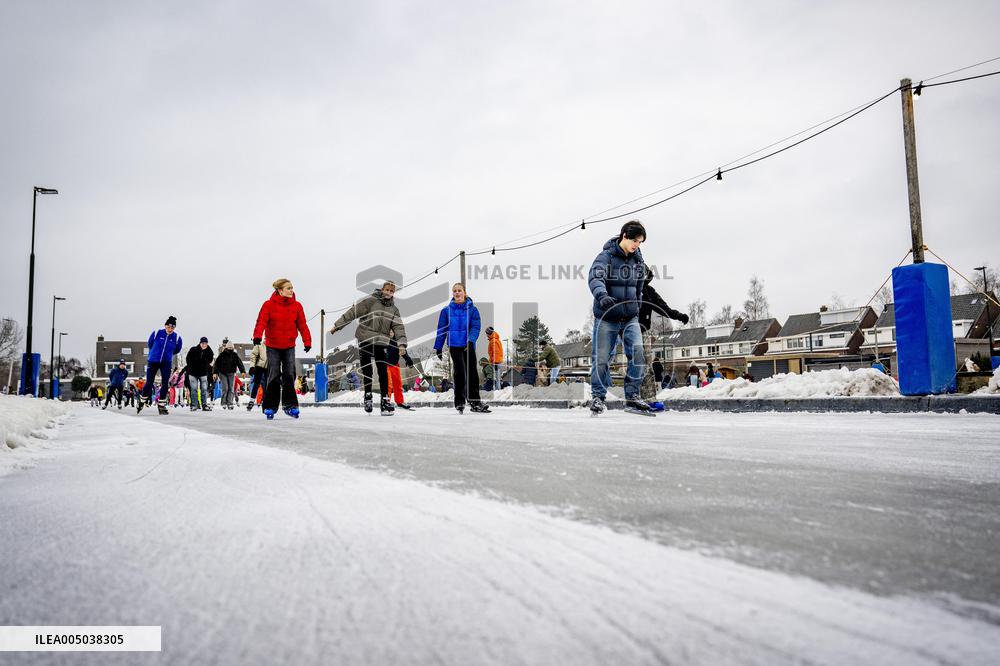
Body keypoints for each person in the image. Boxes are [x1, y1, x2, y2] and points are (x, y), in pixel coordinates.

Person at [588, 220, 649, 414]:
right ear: (625, 236)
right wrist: (602, 296)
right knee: (602, 358)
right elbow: (595, 277)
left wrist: (637, 305)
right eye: (635, 241)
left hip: (630, 316)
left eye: (640, 242)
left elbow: (639, 285)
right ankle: (598, 397)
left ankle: (632, 396)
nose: (637, 245)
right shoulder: (605, 257)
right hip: (607, 315)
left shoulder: (638, 260)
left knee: (638, 353)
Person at [330, 280, 407, 416]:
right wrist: (338, 325)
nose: (389, 292)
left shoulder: (394, 309)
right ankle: (368, 396)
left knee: (382, 369)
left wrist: (401, 344)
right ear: (382, 289)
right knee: (367, 369)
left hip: (382, 341)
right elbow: (353, 312)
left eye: (391, 291)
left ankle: (385, 401)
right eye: (387, 289)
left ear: (393, 293)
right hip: (365, 338)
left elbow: (398, 327)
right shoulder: (370, 301)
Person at [253, 278, 312, 419]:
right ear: (280, 290)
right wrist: (257, 336)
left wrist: (307, 341)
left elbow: (302, 325)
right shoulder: (268, 305)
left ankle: (290, 406)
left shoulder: (297, 306)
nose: (292, 290)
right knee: (273, 374)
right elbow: (261, 321)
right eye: (288, 288)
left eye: (292, 288)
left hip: (289, 346)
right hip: (273, 346)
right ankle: (270, 407)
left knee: (289, 374)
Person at [434, 282, 490, 414]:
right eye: (455, 291)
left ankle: (475, 402)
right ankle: (459, 402)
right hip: (454, 345)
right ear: (453, 294)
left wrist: (471, 340)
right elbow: (441, 330)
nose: (457, 293)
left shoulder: (472, 309)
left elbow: (475, 327)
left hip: (468, 345)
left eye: (459, 290)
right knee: (459, 373)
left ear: (464, 293)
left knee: (472, 374)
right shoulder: (446, 310)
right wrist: (438, 347)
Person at [638, 265, 688, 400]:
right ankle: (633, 395)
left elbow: (663, 307)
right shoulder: (627, 289)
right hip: (628, 329)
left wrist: (678, 315)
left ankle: (649, 398)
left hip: (644, 331)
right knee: (636, 362)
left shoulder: (648, 291)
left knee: (647, 364)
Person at [140, 316, 183, 415]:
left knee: (165, 383)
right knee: (149, 382)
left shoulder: (177, 338)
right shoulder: (156, 333)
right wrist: (155, 353)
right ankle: (142, 400)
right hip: (153, 360)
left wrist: (167, 354)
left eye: (172, 327)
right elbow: (150, 344)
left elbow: (177, 350)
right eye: (169, 327)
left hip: (166, 362)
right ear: (165, 326)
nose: (170, 329)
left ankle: (161, 405)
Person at [385, 328, 414, 410]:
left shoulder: (397, 342)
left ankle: (400, 401)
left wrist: (409, 361)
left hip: (395, 365)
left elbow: (404, 352)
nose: (390, 333)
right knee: (388, 384)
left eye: (392, 332)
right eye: (389, 332)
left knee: (398, 384)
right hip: (385, 365)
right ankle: (386, 402)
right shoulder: (384, 342)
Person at [186, 337, 215, 411]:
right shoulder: (193, 349)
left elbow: (210, 359)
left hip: (203, 373)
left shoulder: (209, 352)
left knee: (204, 389)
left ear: (207, 344)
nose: (204, 345)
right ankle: (194, 405)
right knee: (194, 389)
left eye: (205, 343)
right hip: (193, 372)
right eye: (202, 343)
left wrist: (204, 364)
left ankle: (204, 405)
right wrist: (191, 366)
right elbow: (188, 359)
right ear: (200, 343)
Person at [215, 342, 246, 409]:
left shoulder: (234, 355)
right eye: (229, 347)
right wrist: (215, 373)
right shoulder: (222, 355)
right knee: (225, 388)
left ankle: (230, 403)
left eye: (231, 348)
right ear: (226, 348)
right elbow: (216, 364)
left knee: (231, 388)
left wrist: (243, 371)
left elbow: (239, 363)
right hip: (222, 373)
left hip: (231, 373)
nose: (230, 349)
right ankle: (223, 403)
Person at [246, 339, 268, 411]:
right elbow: (253, 357)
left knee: (267, 386)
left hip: (268, 368)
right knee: (256, 384)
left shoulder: (272, 347)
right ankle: (251, 401)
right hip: (259, 367)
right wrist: (252, 367)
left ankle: (265, 401)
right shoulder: (259, 346)